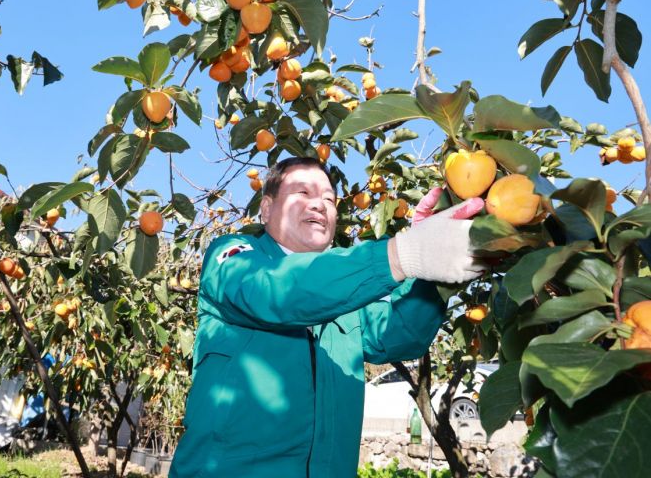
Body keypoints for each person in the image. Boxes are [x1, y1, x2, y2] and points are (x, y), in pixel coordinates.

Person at [169, 157, 485, 478]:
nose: (319, 204)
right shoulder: (233, 256)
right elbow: (276, 289)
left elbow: (403, 334)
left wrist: (433, 269)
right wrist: (403, 253)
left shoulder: (346, 292)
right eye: (302, 193)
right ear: (266, 209)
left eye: (329, 199)